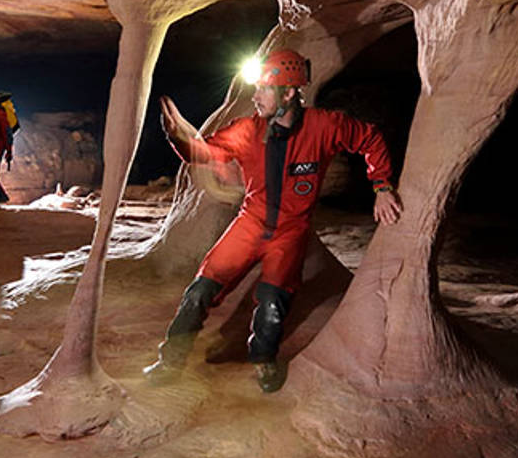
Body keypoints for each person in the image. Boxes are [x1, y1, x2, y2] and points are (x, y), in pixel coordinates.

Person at [147, 48, 402, 392]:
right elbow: (204, 153)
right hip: (250, 224)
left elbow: (369, 138)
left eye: (265, 89)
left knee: (272, 304)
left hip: (289, 232)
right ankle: (169, 362)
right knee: (199, 292)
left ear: (290, 92)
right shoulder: (247, 130)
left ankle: (264, 359)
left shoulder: (324, 126)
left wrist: (382, 185)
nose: (256, 97)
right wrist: (177, 136)